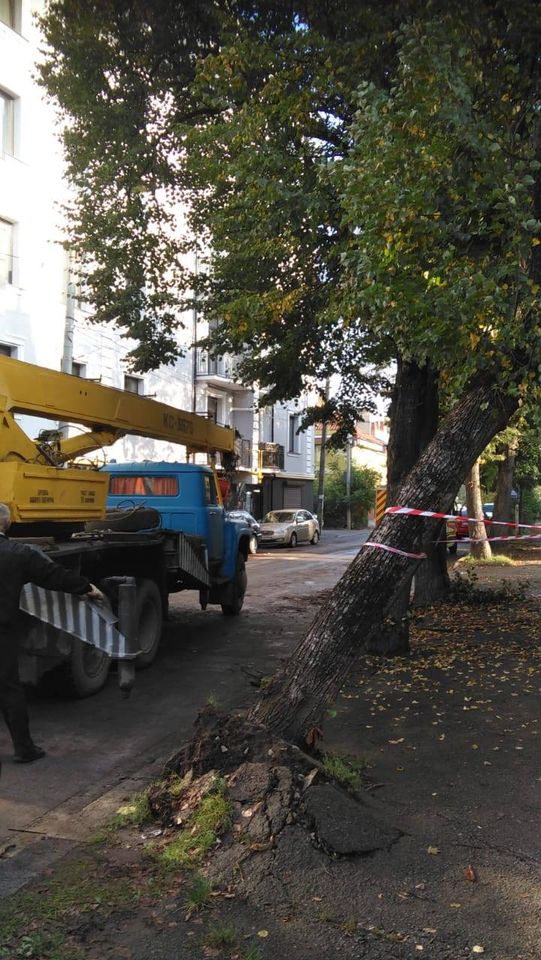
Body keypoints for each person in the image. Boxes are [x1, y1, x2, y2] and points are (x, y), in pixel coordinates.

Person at [0, 503, 103, 764]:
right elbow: (53, 576)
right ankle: (24, 749)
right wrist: (86, 587)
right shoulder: (19, 554)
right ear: (8, 524)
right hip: (2, 631)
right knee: (9, 689)